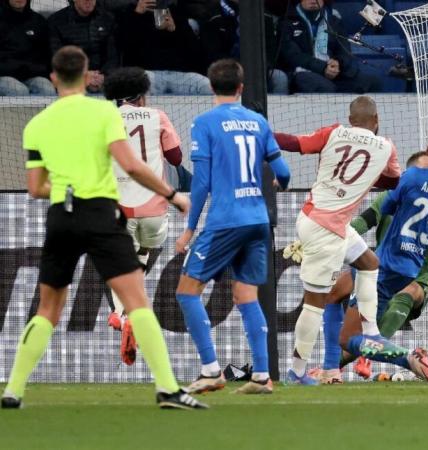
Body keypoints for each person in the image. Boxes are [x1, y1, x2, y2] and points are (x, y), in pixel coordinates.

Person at [1, 46, 206, 410]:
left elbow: (35, 188)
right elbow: (132, 166)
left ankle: (14, 389)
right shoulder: (102, 113)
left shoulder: (38, 123)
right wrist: (174, 195)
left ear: (52, 79)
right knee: (136, 300)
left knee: (47, 308)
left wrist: (64, 189)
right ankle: (167, 389)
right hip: (101, 213)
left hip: (61, 215)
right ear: (86, 76)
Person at [296, 150, 428, 383]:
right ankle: (333, 368)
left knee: (405, 293)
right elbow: (361, 224)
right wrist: (321, 239)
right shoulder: (392, 196)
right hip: (381, 269)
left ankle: (368, 357)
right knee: (333, 292)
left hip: (416, 279)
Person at [174, 59, 291, 395]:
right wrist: (279, 184)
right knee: (245, 294)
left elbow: (202, 182)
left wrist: (189, 228)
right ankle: (261, 376)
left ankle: (211, 370)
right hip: (257, 219)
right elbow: (282, 172)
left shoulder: (204, 123)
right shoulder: (258, 121)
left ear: (211, 87)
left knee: (187, 291)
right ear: (241, 87)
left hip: (226, 220)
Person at [274, 95, 402, 385]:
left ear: (350, 119)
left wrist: (263, 135)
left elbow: (296, 143)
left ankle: (371, 333)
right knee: (315, 304)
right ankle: (296, 371)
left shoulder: (333, 133)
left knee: (369, 263)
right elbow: (393, 182)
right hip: (326, 229)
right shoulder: (387, 147)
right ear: (376, 121)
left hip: (320, 218)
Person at [102, 66, 183, 366]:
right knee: (143, 253)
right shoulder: (157, 116)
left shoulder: (104, 118)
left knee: (117, 263)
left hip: (117, 204)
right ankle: (124, 315)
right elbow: (176, 158)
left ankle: (122, 315)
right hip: (153, 203)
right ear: (141, 95)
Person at [279, 0, 382, 93]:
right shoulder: (286, 21)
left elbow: (344, 50)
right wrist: (322, 67)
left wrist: (338, 63)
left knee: (372, 82)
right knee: (325, 87)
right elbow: (293, 56)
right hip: (303, 72)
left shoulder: (334, 21)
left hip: (333, 71)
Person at [117, 0, 210, 95]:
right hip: (146, 72)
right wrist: (137, 15)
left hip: (178, 73)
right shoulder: (130, 12)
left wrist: (175, 30)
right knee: (138, 87)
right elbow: (124, 46)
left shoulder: (175, 10)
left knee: (207, 86)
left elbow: (194, 49)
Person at [48, 0, 119, 93]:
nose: (89, 1)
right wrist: (83, 76)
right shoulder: (56, 21)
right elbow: (57, 56)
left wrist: (103, 75)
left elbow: (113, 54)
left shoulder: (107, 19)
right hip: (72, 77)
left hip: (102, 77)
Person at [0, 0, 54, 96]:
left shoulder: (38, 21)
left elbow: (46, 54)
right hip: (4, 76)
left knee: (47, 90)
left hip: (32, 75)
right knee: (19, 91)